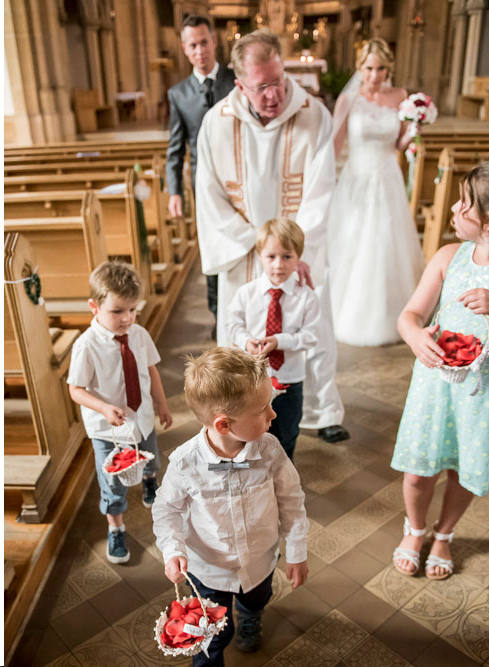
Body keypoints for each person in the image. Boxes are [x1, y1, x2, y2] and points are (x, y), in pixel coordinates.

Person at [195, 29, 349, 443]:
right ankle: (240, 414)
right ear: (240, 82)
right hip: (244, 251)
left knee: (309, 327)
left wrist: (293, 253)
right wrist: (253, 241)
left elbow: (320, 192)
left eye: (278, 81)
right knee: (241, 336)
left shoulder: (313, 114)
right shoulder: (216, 123)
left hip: (295, 253)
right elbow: (207, 192)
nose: (273, 93)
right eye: (261, 86)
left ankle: (319, 408)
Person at [152, 347, 308, 666]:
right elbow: (166, 510)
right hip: (209, 568)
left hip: (260, 558)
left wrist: (297, 551)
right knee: (211, 635)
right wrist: (173, 550)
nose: (273, 415)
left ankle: (250, 616)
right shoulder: (185, 463)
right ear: (224, 425)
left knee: (257, 597)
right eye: (263, 409)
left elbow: (292, 501)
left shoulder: (270, 450)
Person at [391, 158, 489, 581]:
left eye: (462, 204)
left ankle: (444, 535)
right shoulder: (449, 257)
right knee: (419, 469)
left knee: (460, 467)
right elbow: (410, 315)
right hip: (435, 385)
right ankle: (414, 529)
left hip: (484, 391)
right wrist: (416, 336)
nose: (453, 211)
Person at [68, 261, 173, 564]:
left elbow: (150, 370)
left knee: (151, 455)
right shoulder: (86, 346)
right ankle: (116, 529)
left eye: (132, 310)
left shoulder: (138, 334)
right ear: (94, 306)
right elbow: (76, 389)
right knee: (112, 484)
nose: (127, 318)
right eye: (117, 312)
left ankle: (150, 482)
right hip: (107, 430)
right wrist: (103, 407)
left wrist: (162, 404)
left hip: (142, 418)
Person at [327, 38, 424, 346]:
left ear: (388, 68)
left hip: (387, 177)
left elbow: (397, 144)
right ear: (361, 67)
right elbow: (334, 146)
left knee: (386, 241)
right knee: (355, 241)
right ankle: (350, 311)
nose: (375, 75)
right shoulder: (349, 100)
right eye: (369, 68)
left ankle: (393, 313)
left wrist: (414, 130)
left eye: (381, 68)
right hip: (357, 179)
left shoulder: (401, 97)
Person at [166, 15, 237, 337]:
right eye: (192, 45)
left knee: (241, 243)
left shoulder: (237, 80)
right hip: (202, 184)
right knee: (211, 248)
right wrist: (175, 191)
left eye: (204, 42)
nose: (200, 50)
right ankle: (217, 315)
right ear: (184, 48)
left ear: (214, 41)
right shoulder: (178, 94)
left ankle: (241, 309)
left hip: (239, 178)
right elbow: (175, 148)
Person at [227, 219, 320, 460]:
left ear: (298, 257)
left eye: (287, 256)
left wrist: (279, 341)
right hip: (254, 380)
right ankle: (255, 479)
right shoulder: (247, 293)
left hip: (289, 379)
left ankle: (282, 477)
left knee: (286, 433)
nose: (279, 265)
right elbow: (232, 323)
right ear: (260, 256)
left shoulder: (306, 297)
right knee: (249, 434)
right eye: (271, 256)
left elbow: (311, 336)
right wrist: (246, 341)